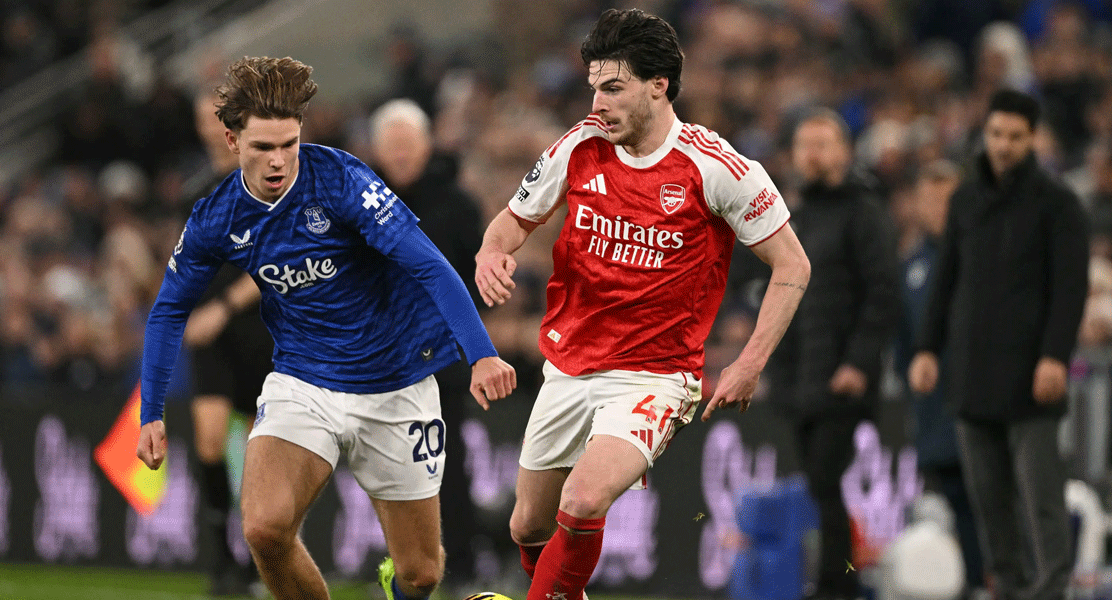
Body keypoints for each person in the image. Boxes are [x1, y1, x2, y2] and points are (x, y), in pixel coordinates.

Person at [135, 56, 517, 600]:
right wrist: (151, 413)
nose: (277, 161)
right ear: (231, 141)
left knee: (421, 574)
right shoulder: (216, 216)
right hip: (304, 382)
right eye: (262, 147)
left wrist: (482, 352)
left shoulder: (340, 181)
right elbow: (169, 310)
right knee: (265, 529)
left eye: (288, 144)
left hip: (396, 383)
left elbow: (430, 264)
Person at [474, 10, 811, 600]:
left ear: (659, 84)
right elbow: (508, 224)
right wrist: (490, 255)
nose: (598, 103)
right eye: (594, 87)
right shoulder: (578, 147)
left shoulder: (717, 167)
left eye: (613, 87)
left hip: (654, 376)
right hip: (569, 362)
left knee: (581, 502)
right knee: (527, 524)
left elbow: (793, 265)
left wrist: (750, 361)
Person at [909, 89, 1089, 600]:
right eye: (996, 134)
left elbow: (1069, 290)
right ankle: (1008, 589)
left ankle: (1053, 587)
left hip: (1034, 373)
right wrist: (927, 348)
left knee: (1042, 498)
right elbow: (946, 280)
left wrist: (1055, 355)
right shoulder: (965, 200)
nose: (1004, 146)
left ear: (1033, 139)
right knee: (989, 499)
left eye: (1015, 136)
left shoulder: (1059, 204)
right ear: (984, 133)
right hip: (972, 372)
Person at [767, 109, 901, 600]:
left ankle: (835, 587)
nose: (812, 154)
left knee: (825, 481)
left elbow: (883, 292)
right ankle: (833, 584)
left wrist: (859, 362)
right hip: (801, 378)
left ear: (844, 151)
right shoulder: (794, 216)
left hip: (841, 377)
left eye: (822, 143)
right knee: (819, 486)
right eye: (804, 144)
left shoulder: (864, 211)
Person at [369, 97, 486, 587]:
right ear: (375, 149)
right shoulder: (359, 203)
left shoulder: (458, 206)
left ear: (427, 144)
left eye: (406, 143)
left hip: (441, 360)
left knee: (447, 465)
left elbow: (480, 282)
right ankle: (400, 561)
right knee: (383, 469)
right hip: (377, 359)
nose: (398, 154)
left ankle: (459, 560)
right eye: (390, 145)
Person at [181, 92, 272, 597]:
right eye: (201, 120)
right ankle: (222, 560)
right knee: (209, 442)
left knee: (265, 453)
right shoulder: (194, 188)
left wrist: (221, 308)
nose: (209, 128)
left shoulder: (261, 183)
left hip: (258, 327)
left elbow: (275, 263)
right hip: (207, 332)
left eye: (216, 118)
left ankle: (268, 555)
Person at [894, 160, 984, 596]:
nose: (937, 209)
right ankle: (968, 584)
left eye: (946, 198)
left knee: (991, 501)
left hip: (984, 407)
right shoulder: (910, 268)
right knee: (948, 506)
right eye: (928, 199)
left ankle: (995, 582)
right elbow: (903, 347)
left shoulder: (986, 258)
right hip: (934, 414)